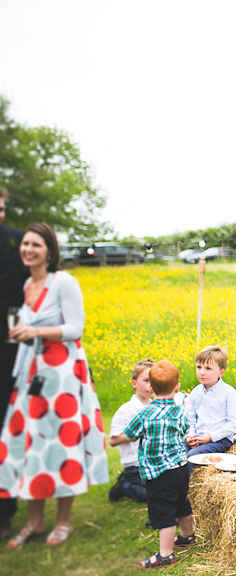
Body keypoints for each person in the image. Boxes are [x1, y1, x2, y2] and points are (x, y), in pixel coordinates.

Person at [1, 222, 108, 548]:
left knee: (61, 444)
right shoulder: (28, 284)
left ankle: (63, 522)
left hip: (61, 372)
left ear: (49, 250)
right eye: (25, 244)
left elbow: (75, 328)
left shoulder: (63, 281)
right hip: (31, 371)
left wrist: (34, 333)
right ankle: (35, 521)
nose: (28, 249)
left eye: (36, 244)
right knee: (31, 441)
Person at [116, 360, 195, 569]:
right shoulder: (180, 411)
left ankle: (165, 554)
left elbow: (131, 435)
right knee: (181, 501)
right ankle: (187, 535)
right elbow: (186, 430)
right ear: (177, 387)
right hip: (180, 467)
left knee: (163, 511)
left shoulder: (145, 413)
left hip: (158, 472)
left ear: (151, 387)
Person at [0, 187, 25, 539]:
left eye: (2, 206)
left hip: (8, 354)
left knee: (6, 433)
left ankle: (4, 512)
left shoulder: (16, 244)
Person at [108, 358, 155, 503]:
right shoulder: (127, 409)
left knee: (164, 490)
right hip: (135, 465)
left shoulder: (156, 407)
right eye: (146, 381)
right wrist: (131, 436)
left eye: (154, 381)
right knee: (150, 496)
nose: (151, 385)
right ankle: (125, 486)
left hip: (153, 463)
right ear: (134, 384)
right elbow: (113, 440)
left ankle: (130, 481)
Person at [185, 345, 236, 457]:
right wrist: (190, 436)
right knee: (177, 452)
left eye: (208, 368)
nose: (201, 372)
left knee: (192, 456)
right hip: (198, 436)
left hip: (220, 439)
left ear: (221, 372)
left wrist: (210, 437)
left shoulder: (229, 393)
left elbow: (234, 424)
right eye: (199, 367)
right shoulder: (195, 393)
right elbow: (190, 418)